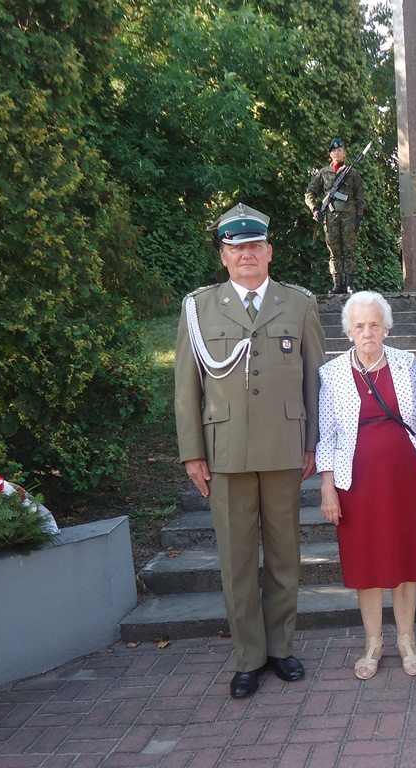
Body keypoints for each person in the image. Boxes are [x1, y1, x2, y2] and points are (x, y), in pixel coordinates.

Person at [175, 203, 326, 698]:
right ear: (223, 256)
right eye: (236, 248)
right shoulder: (199, 308)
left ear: (269, 252)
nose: (247, 255)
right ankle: (248, 657)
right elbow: (186, 387)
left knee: (285, 556)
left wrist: (314, 444)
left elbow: (314, 380)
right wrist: (192, 453)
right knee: (237, 559)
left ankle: (281, 649)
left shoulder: (298, 303)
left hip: (285, 448)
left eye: (255, 246)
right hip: (226, 453)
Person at [316, 291, 416, 679]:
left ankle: (406, 639)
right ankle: (373, 642)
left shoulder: (404, 363)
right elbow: (328, 436)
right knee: (366, 562)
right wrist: (327, 487)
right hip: (356, 484)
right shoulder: (332, 372)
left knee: (403, 558)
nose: (367, 331)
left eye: (374, 324)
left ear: (386, 327)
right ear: (348, 331)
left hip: (402, 478)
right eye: (359, 326)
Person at [306, 138, 365, 295]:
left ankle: (349, 284)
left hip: (348, 217)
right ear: (330, 154)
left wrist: (359, 216)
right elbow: (310, 192)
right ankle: (337, 284)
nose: (336, 152)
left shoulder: (352, 173)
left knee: (349, 249)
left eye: (339, 150)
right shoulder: (324, 173)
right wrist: (315, 209)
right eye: (333, 150)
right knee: (334, 250)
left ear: (344, 152)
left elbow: (360, 196)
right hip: (330, 217)